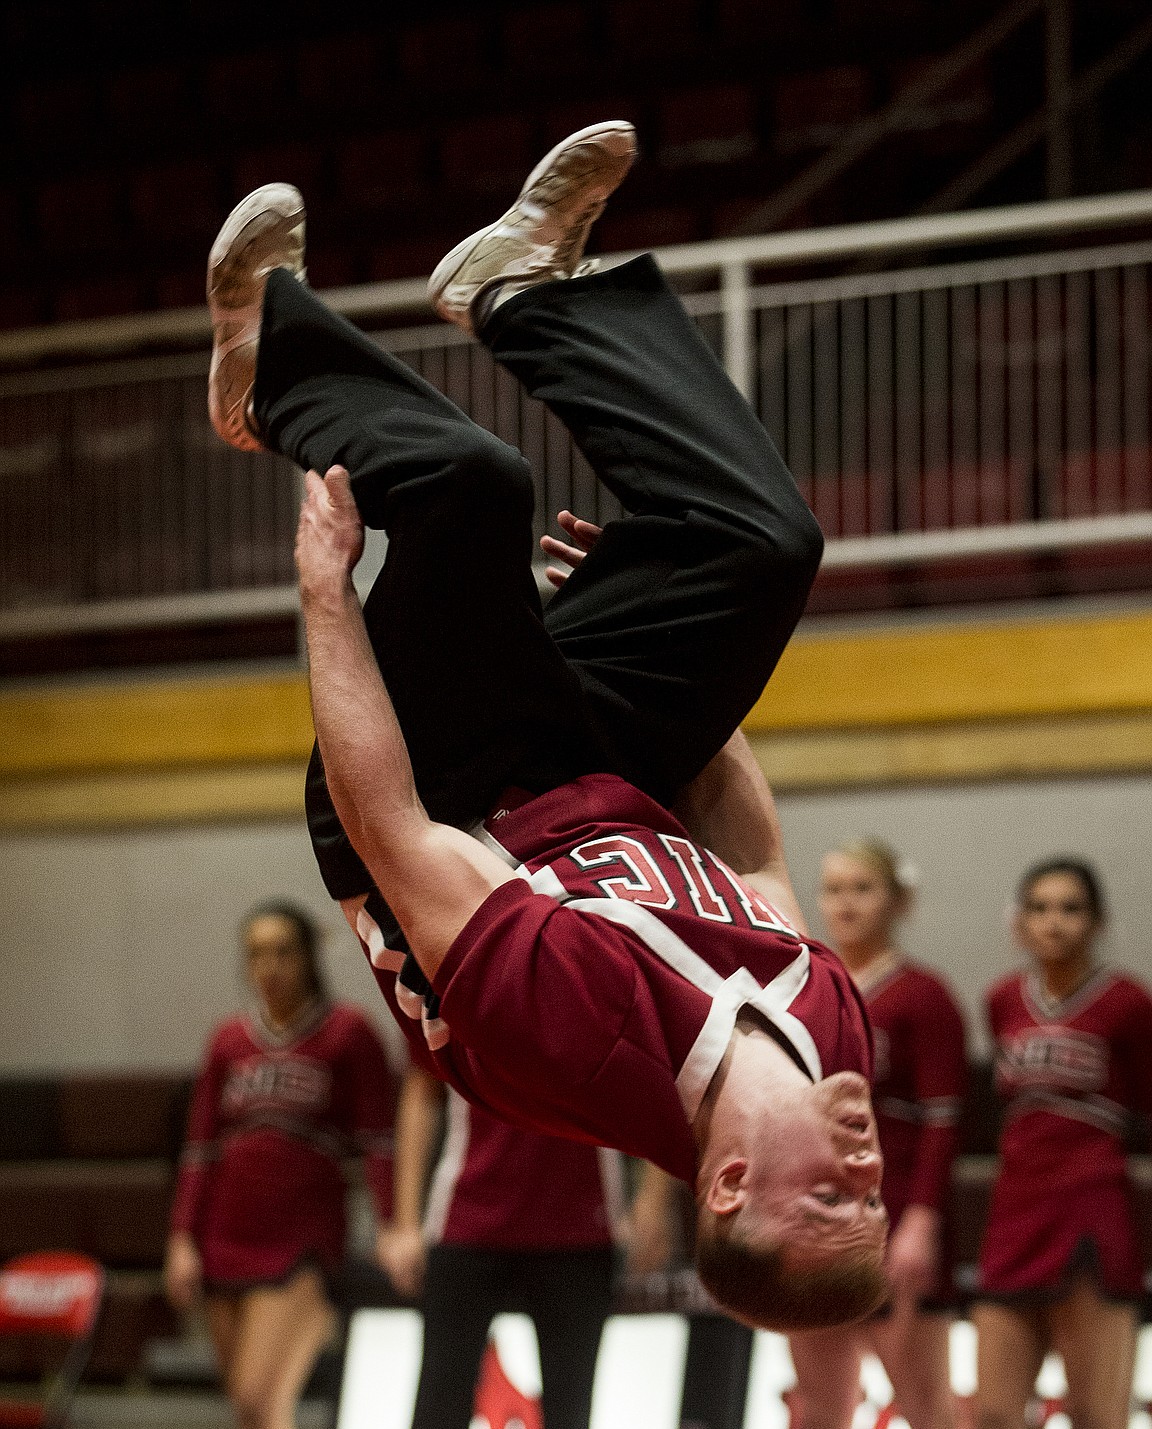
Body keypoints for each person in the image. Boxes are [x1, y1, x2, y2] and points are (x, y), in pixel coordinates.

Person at [204, 121, 889, 1335]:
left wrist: (328, 597)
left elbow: (392, 829)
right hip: (603, 762)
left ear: (728, 1185)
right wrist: (674, 652)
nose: (868, 1170)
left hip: (435, 790)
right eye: (872, 1199)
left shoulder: (579, 1043)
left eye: (830, 1194)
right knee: (762, 550)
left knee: (472, 491)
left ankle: (270, 369)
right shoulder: (836, 1038)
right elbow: (756, 862)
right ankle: (521, 289)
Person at [882, 859, 1151, 1429]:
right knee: (990, 1421)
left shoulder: (1131, 1007)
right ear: (1017, 919)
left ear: (1095, 921)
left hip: (1095, 1217)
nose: (1053, 922)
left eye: (1071, 908)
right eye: (1038, 907)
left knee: (1098, 1424)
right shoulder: (1001, 1001)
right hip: (1013, 1217)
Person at [712, 841, 980, 1429]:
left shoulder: (924, 996)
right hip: (812, 1228)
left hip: (892, 1226)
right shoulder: (803, 982)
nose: (845, 902)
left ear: (898, 898)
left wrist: (922, 1221)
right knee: (825, 1422)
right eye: (832, 888)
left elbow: (942, 1119)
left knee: (929, 1419)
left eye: (863, 887)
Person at [361, 1057, 678, 1429]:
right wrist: (404, 1220)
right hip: (467, 1219)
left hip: (579, 1225)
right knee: (439, 1411)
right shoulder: (450, 972)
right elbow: (421, 1091)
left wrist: (653, 1200)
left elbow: (654, 1081)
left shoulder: (604, 978)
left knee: (569, 1417)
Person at [164, 901, 396, 1429]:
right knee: (249, 1411)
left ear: (310, 955)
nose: (270, 968)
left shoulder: (348, 1034)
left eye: (284, 952)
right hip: (226, 1236)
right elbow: (199, 1149)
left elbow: (379, 1142)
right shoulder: (227, 1043)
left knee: (265, 1399)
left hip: (301, 1244)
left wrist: (393, 1224)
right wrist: (181, 1239)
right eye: (257, 953)